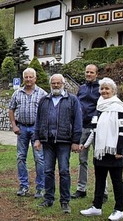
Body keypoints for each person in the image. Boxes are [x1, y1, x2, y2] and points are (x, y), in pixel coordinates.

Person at [80, 78, 123, 221]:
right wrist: (85, 145)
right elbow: (94, 130)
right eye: (102, 89)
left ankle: (119, 209)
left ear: (113, 91)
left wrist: (119, 151)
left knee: (117, 180)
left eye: (107, 89)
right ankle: (96, 207)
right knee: (99, 180)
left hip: (114, 151)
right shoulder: (99, 107)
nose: (104, 91)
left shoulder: (118, 107)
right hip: (100, 151)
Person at [33, 73, 83, 214]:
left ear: (63, 84)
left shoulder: (72, 100)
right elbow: (38, 121)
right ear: (50, 84)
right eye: (53, 83)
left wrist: (75, 141)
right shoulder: (44, 100)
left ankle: (65, 201)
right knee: (48, 171)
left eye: (58, 83)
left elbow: (78, 122)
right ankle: (48, 199)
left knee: (64, 171)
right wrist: (37, 138)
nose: (55, 85)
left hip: (64, 142)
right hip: (47, 141)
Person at [8, 67, 47, 198]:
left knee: (40, 159)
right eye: (26, 77)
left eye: (31, 77)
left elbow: (47, 113)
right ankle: (23, 186)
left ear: (35, 78)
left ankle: (40, 188)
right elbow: (11, 109)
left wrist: (42, 131)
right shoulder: (17, 93)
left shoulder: (42, 93)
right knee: (20, 158)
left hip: (37, 129)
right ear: (23, 78)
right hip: (22, 129)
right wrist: (14, 125)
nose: (29, 79)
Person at [75, 64, 108, 201]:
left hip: (97, 129)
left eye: (91, 72)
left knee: (100, 160)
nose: (88, 74)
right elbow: (77, 106)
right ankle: (81, 189)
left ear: (96, 74)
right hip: (83, 127)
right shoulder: (81, 88)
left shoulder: (101, 89)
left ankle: (103, 191)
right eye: (87, 72)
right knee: (82, 160)